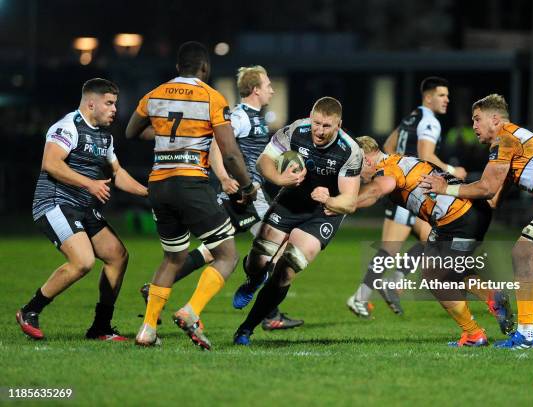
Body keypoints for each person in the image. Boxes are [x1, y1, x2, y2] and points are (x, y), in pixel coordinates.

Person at [421, 94, 533, 349]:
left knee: (522, 253)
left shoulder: (505, 138)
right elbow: (492, 200)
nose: (474, 127)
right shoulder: (512, 142)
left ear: (495, 119)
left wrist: (446, 189)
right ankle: (532, 334)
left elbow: (487, 188)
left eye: (477, 120)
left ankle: (526, 336)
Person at [138, 65, 303, 330]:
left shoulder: (256, 117)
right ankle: (269, 313)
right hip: (247, 194)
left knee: (213, 251)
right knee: (279, 245)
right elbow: (217, 144)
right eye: (268, 84)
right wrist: (225, 178)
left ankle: (156, 287)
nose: (272, 88)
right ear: (255, 89)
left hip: (248, 193)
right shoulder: (240, 116)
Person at [126, 41, 256, 349]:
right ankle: (190, 311)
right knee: (226, 254)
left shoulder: (154, 94)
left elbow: (131, 131)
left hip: (159, 185)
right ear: (205, 68)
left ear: (177, 67)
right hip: (191, 184)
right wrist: (247, 186)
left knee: (173, 257)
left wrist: (166, 131)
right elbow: (231, 153)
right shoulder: (211, 97)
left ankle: (147, 329)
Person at [16, 78, 148, 341]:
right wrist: (90, 184)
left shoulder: (105, 136)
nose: (114, 109)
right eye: (109, 103)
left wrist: (149, 193)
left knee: (117, 256)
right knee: (83, 261)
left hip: (83, 208)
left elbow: (118, 173)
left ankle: (101, 327)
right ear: (91, 103)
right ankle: (30, 310)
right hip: (54, 203)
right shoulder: (67, 127)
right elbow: (51, 163)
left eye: (115, 104)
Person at [355, 136, 512, 346]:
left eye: (355, 166)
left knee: (434, 277)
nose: (355, 174)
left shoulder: (386, 171)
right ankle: (493, 298)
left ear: (366, 160)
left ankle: (474, 334)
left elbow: (377, 189)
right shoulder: (399, 159)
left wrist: (347, 202)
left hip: (459, 218)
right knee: (448, 268)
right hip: (472, 210)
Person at [233, 96, 362, 345]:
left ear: (339, 125)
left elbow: (350, 202)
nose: (319, 131)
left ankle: (246, 329)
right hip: (289, 201)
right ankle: (254, 278)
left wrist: (329, 200)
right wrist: (281, 180)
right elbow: (264, 161)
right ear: (310, 118)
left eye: (327, 126)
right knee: (256, 262)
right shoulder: (296, 130)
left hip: (322, 215)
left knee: (286, 270)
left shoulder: (349, 150)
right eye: (317, 123)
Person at [348, 77, 467, 318]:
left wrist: (395, 167)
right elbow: (426, 155)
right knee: (400, 247)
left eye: (447, 95)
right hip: (410, 188)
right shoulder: (429, 121)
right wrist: (453, 172)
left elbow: (388, 146)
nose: (446, 100)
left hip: (403, 185)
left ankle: (382, 287)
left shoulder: (410, 118)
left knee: (424, 242)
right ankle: (364, 295)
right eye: (442, 95)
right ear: (428, 97)